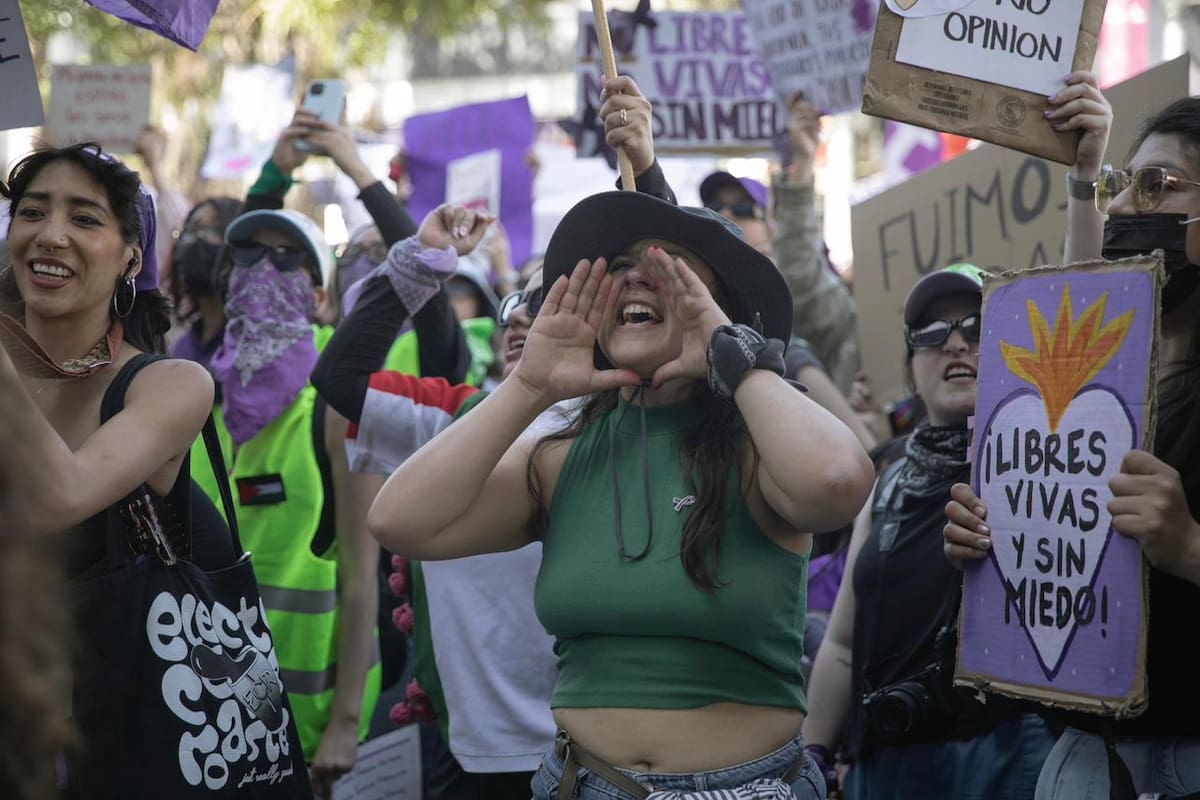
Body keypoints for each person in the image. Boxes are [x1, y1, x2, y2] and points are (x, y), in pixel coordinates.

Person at [366, 186, 874, 799]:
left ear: (719, 309)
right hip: (583, 784)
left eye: (671, 271)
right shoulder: (558, 455)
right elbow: (398, 520)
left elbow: (838, 483)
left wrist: (733, 357)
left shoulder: (761, 444)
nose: (637, 279)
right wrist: (530, 384)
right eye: (623, 267)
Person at [946, 89, 1200, 799]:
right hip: (1088, 758)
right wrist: (992, 536)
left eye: (1157, 186)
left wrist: (1187, 547)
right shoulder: (1124, 379)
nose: (1121, 211)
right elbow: (1081, 301)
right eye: (1122, 188)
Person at [0, 144, 263, 788]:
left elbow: (60, 496)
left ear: (131, 257)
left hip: (131, 742)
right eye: (32, 212)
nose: (51, 235)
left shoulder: (172, 385)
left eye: (85, 219)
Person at [802, 263, 1056, 800]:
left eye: (977, 326)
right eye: (933, 334)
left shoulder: (1043, 461)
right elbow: (844, 644)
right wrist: (814, 754)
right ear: (910, 366)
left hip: (1008, 753)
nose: (956, 343)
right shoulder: (885, 475)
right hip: (887, 760)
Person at [209, 206, 380, 796]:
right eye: (248, 255)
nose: (262, 270)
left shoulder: (337, 398)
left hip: (310, 727)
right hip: (214, 718)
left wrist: (345, 724)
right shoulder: (198, 396)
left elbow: (362, 575)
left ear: (320, 296)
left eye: (287, 259)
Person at [168, 196, 241, 368]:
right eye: (191, 230)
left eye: (214, 232)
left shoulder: (250, 344)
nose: (197, 240)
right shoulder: (183, 346)